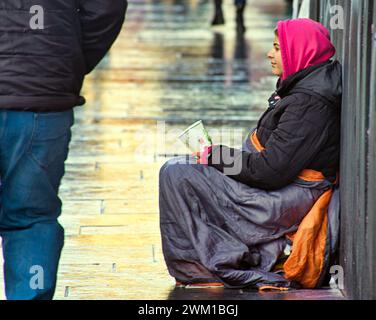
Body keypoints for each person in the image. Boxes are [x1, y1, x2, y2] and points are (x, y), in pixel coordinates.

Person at [159, 18, 341, 289]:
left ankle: (206, 267)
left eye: (278, 48)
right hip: (286, 186)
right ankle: (211, 259)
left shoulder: (308, 103)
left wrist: (217, 157)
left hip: (289, 195)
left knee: (177, 175)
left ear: (301, 53)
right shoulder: (305, 88)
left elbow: (269, 172)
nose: (270, 53)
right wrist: (216, 156)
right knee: (179, 170)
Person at [0, 0, 127, 300]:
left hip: (45, 89)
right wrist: (68, 60)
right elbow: (106, 8)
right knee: (31, 215)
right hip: (43, 97)